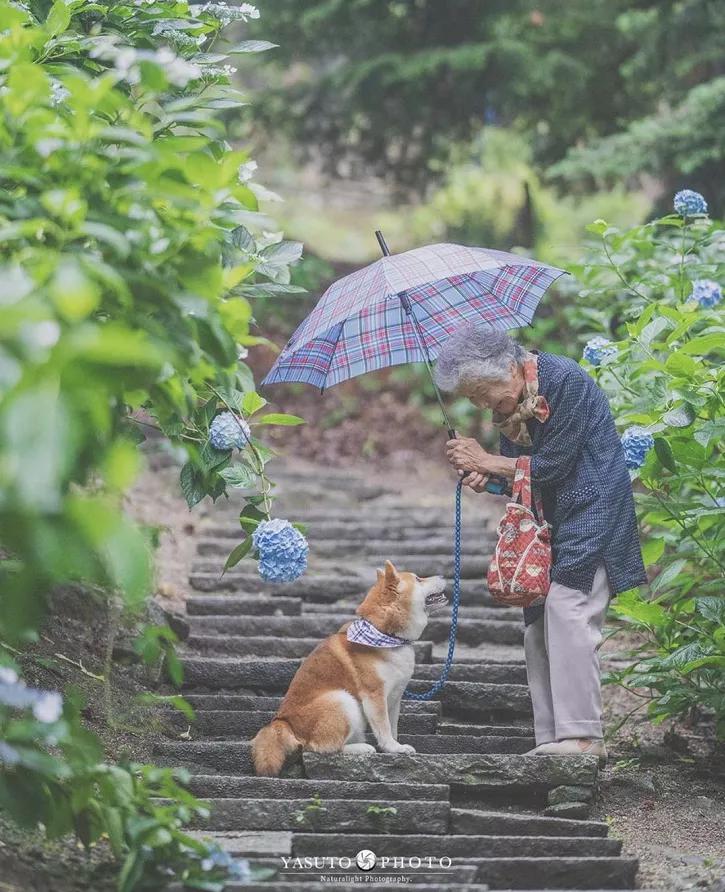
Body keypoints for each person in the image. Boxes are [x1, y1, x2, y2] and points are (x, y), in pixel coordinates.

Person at [434, 324, 648, 764]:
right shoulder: (512, 411)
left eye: (482, 393)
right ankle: (552, 736)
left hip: (594, 510)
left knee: (567, 609)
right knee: (536, 627)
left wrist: (487, 460)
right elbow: (520, 477)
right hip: (546, 524)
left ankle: (583, 735)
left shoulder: (564, 379)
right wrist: (487, 477)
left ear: (509, 369)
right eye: (472, 399)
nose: (482, 405)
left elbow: (552, 466)